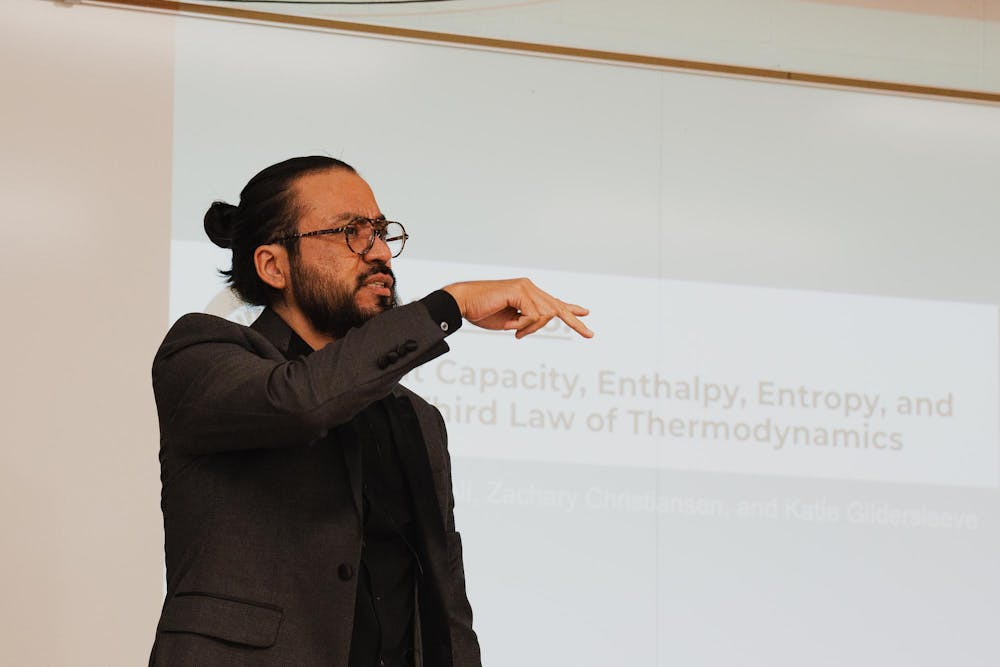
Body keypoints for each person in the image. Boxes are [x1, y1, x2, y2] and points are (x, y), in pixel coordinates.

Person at [148, 156, 592, 666]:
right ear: (273, 266)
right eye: (351, 233)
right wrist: (451, 305)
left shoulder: (416, 417)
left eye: (381, 232)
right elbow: (300, 402)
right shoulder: (201, 353)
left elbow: (445, 601)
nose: (379, 252)